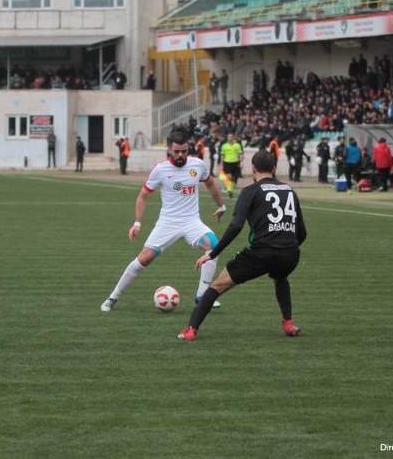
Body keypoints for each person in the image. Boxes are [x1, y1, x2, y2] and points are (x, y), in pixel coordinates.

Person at [178, 150, 306, 341]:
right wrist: (285, 247)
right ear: (274, 168)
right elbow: (302, 233)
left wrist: (212, 254)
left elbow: (236, 225)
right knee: (281, 278)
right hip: (290, 254)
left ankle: (191, 330)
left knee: (216, 286)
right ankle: (288, 323)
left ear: (253, 169)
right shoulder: (289, 190)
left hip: (261, 253)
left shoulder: (250, 191)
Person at [100, 128, 227, 311]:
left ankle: (201, 296)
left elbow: (210, 184)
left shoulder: (198, 165)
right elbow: (143, 195)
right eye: (177, 151)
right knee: (144, 259)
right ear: (169, 149)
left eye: (184, 151)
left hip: (192, 222)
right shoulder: (160, 170)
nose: (181, 155)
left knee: (214, 245)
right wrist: (137, 223)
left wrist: (221, 206)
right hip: (168, 223)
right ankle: (113, 297)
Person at [219, 133, 243, 197]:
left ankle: (230, 190)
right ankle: (229, 189)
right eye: (229, 137)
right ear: (227, 138)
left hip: (235, 163)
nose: (230, 138)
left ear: (233, 138)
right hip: (227, 163)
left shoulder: (237, 145)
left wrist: (241, 162)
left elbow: (240, 154)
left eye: (231, 137)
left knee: (234, 177)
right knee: (229, 176)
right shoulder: (224, 146)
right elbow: (222, 155)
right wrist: (221, 164)